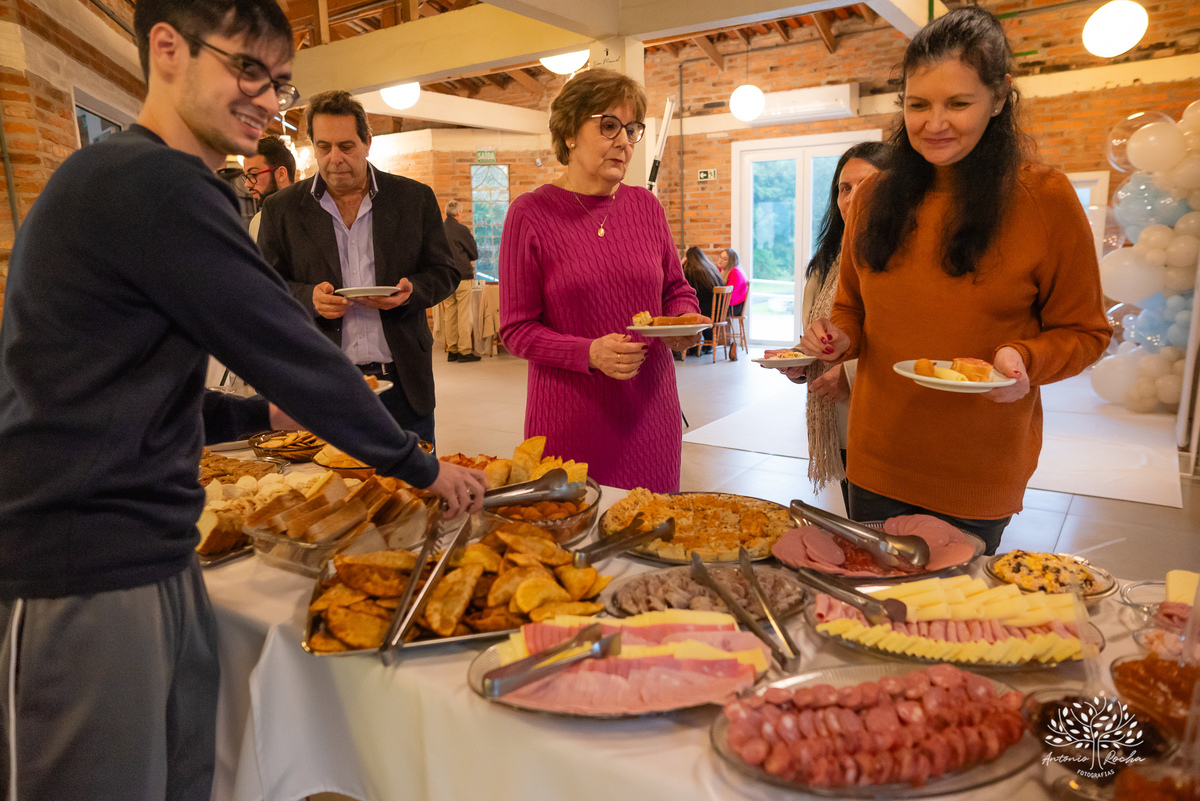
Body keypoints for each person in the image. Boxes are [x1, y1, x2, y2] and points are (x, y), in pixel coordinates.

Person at [0, 2, 485, 798]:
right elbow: (286, 345)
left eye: (280, 84)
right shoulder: (148, 181)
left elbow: (136, 384)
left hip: (153, 549)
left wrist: (256, 417)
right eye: (247, 69)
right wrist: (416, 464)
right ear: (167, 49)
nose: (266, 98)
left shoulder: (162, 181)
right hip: (77, 562)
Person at [801, 6, 1111, 554]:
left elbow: (1087, 332)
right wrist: (838, 337)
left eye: (958, 103)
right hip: (877, 458)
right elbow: (852, 307)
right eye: (918, 104)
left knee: (950, 625)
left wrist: (1026, 360)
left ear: (999, 97)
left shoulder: (1044, 198)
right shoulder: (874, 198)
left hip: (976, 468)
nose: (934, 123)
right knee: (872, 609)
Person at [499, 68, 706, 493]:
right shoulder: (531, 214)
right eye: (609, 126)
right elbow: (516, 330)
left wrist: (682, 322)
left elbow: (676, 289)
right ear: (571, 132)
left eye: (632, 130)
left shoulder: (645, 206)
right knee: (573, 542)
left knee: (650, 536)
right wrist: (588, 352)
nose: (625, 142)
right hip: (569, 416)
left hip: (650, 410)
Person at [258, 90, 460, 446]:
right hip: (325, 384)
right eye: (324, 147)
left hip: (403, 385)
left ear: (368, 142)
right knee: (333, 493)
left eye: (346, 146)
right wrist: (309, 299)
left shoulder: (414, 199)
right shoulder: (282, 209)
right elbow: (263, 287)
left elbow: (445, 271)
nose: (335, 158)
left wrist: (412, 292)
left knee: (414, 495)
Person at [768, 142, 891, 511]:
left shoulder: (901, 260)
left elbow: (916, 342)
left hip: (885, 425)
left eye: (866, 185)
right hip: (835, 423)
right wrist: (798, 363)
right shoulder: (826, 263)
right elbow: (815, 338)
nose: (852, 198)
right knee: (858, 519)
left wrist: (850, 374)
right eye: (844, 188)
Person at [442, 198, 481, 363]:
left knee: (450, 314)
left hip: (444, 277)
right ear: (458, 213)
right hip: (462, 276)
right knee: (464, 314)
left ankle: (452, 350)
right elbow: (474, 253)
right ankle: (464, 351)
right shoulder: (461, 229)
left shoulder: (438, 229)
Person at [246, 133, 294, 240]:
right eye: (246, 177)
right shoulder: (256, 222)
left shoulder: (311, 217)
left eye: (253, 174)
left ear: (281, 174)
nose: (247, 184)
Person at [681, 245, 724, 356]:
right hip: (718, 312)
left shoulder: (690, 271)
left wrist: (681, 265)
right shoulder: (712, 269)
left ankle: (694, 347)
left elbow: (683, 286)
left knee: (690, 309)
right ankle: (708, 346)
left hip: (700, 312)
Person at [715, 248, 748, 316]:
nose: (720, 261)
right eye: (720, 257)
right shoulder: (720, 270)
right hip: (725, 304)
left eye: (724, 259)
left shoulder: (735, 273)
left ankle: (711, 326)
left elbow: (728, 296)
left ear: (731, 262)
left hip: (733, 306)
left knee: (706, 308)